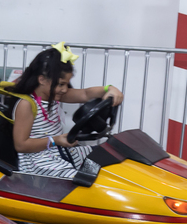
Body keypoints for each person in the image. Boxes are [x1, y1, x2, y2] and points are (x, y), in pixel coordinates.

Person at [10, 42, 124, 178]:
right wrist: (55, 140)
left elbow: (86, 94)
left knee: (107, 156)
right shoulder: (26, 104)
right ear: (42, 80)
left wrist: (109, 89)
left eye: (66, 84)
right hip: (38, 161)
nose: (65, 89)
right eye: (61, 84)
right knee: (85, 180)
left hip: (58, 151)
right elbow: (21, 145)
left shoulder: (54, 96)